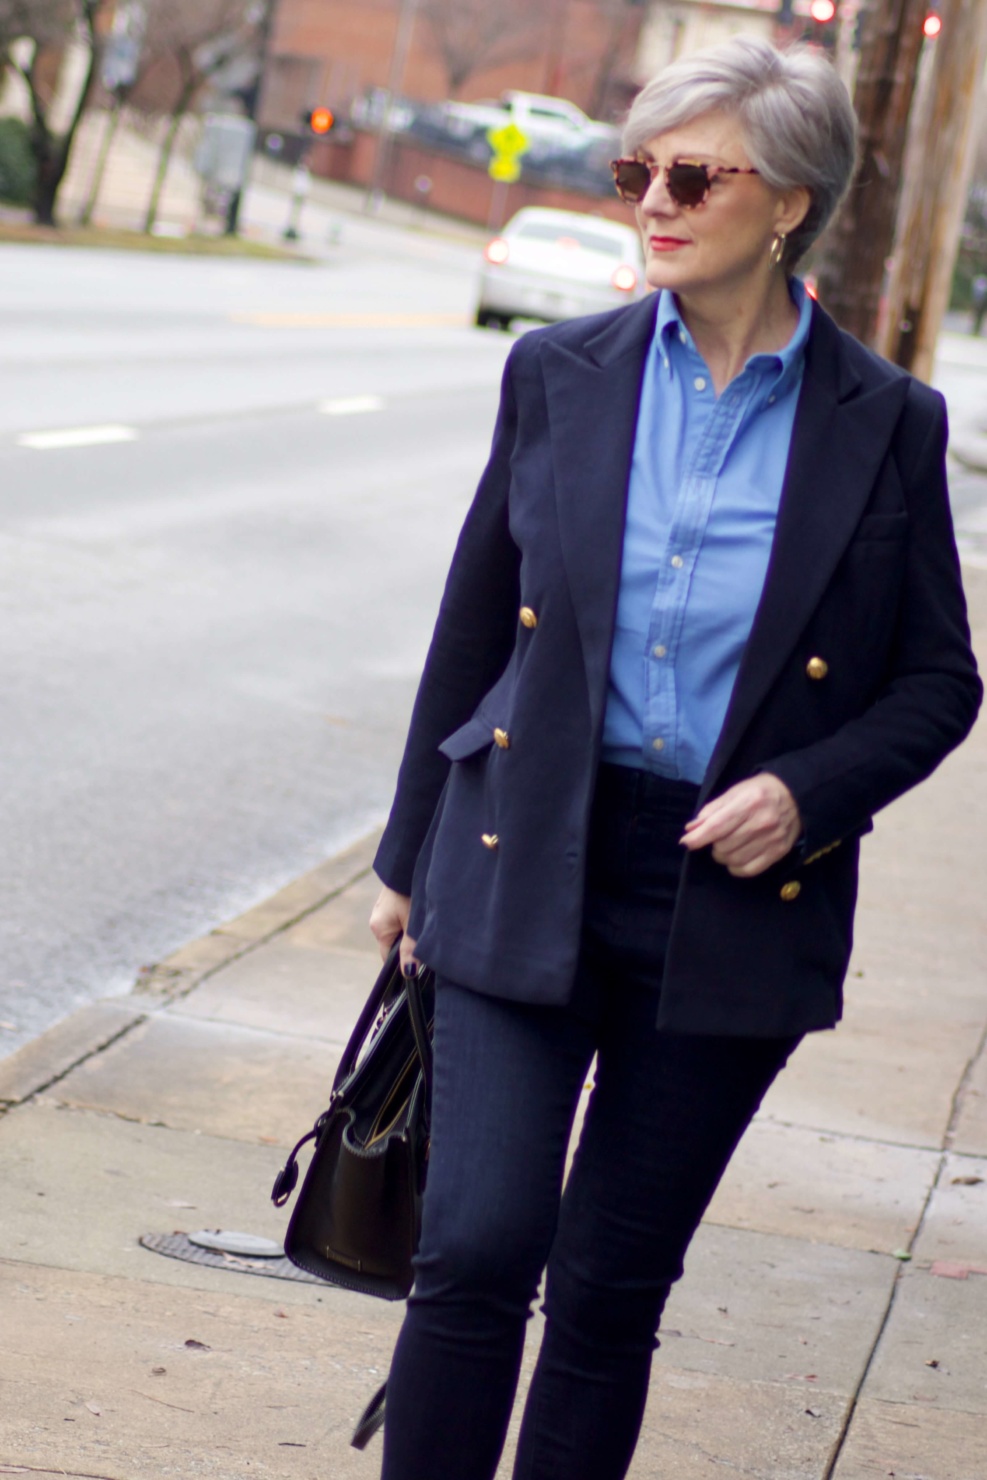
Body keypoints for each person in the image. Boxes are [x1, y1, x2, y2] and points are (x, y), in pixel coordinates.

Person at [368, 34, 982, 1480]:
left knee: (606, 1291)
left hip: (725, 897)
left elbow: (941, 681)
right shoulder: (558, 373)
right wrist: (406, 862)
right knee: (474, 1248)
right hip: (527, 855)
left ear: (788, 203)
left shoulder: (885, 423)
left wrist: (810, 795)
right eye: (635, 170)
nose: (649, 200)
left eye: (690, 175)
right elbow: (472, 632)